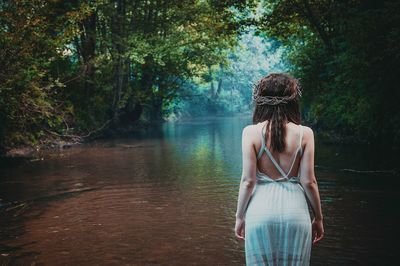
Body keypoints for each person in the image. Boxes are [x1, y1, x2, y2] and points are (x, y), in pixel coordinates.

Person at [234, 73, 324, 265]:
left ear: (261, 101)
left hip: (260, 212)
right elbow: (309, 182)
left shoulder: (250, 133)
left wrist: (239, 217)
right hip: (296, 212)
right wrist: (318, 218)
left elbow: (248, 181)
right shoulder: (305, 133)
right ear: (292, 101)